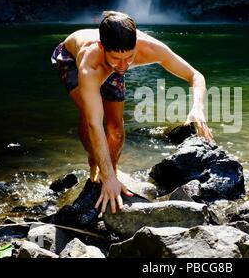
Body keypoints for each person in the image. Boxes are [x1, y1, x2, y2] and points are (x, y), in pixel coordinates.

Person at [51, 11, 213, 215]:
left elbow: (195, 75)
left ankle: (111, 171)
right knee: (90, 113)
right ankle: (96, 165)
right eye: (117, 58)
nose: (124, 65)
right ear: (103, 47)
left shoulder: (150, 49)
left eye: (129, 57)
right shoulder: (90, 65)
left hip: (107, 67)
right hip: (70, 59)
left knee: (116, 130)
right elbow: (94, 123)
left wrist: (197, 108)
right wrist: (107, 176)